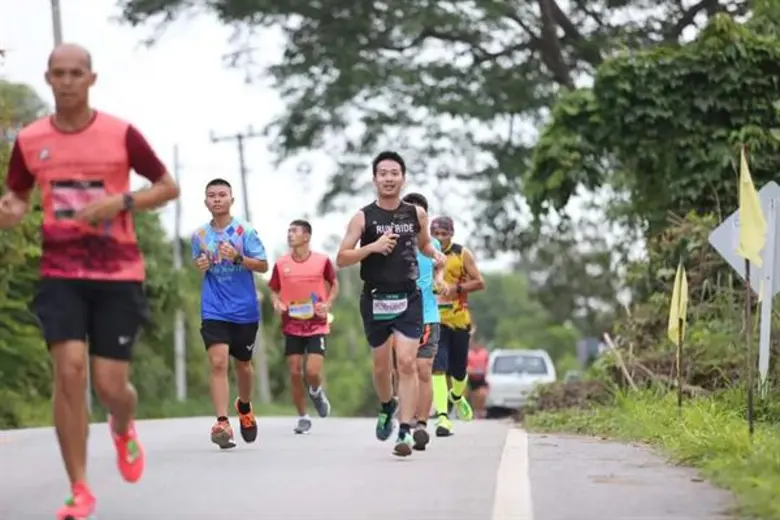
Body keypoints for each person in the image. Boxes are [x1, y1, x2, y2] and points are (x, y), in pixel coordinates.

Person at [0, 43, 180, 520]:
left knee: (110, 386)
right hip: (60, 274)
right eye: (58, 73)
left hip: (118, 274)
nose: (66, 81)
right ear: (47, 77)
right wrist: (9, 211)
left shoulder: (120, 134)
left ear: (91, 79)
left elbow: (168, 186)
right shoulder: (31, 139)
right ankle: (79, 487)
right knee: (70, 371)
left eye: (76, 73)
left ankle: (123, 424)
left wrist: (120, 203)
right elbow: (17, 197)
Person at [336, 150, 445, 457]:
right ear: (374, 179)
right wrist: (373, 246)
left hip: (409, 296)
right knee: (382, 367)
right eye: (382, 173)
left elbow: (423, 245)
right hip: (375, 298)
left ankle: (406, 430)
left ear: (403, 177)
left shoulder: (416, 214)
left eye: (394, 173)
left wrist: (434, 255)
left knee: (407, 363)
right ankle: (387, 405)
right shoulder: (362, 217)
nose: (388, 178)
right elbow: (342, 257)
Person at [192, 178, 268, 449]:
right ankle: (222, 422)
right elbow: (199, 261)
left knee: (243, 365)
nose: (216, 199)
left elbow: (262, 265)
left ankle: (244, 407)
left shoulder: (245, 231)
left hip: (244, 310)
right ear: (205, 202)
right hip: (214, 307)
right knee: (218, 362)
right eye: (211, 195)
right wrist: (200, 263)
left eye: (222, 195)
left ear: (231, 200)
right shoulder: (199, 236)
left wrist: (238, 257)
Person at [268, 219, 338, 434]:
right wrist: (277, 302)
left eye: (294, 231)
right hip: (292, 325)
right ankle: (302, 416)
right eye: (288, 231)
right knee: (295, 372)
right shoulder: (281, 264)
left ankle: (316, 392)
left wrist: (327, 304)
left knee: (312, 372)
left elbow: (334, 284)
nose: (290, 235)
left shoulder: (322, 261)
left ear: (306, 236)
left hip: (316, 325)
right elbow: (273, 289)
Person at [430, 216, 486, 436]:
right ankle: (443, 417)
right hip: (434, 320)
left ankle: (456, 395)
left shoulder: (462, 254)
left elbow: (480, 282)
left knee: (459, 371)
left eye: (445, 234)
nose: (441, 238)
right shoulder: (424, 254)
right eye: (436, 234)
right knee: (438, 367)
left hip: (459, 319)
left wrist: (456, 288)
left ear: (451, 234)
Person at [401, 192, 444, 451]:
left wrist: (440, 281)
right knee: (405, 370)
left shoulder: (433, 247)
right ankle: (404, 423)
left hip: (428, 315)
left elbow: (439, 269)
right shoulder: (393, 242)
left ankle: (421, 426)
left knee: (424, 368)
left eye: (420, 214)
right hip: (399, 315)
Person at [466, 330, 490, 419]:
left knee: (482, 394)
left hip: (481, 378)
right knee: (473, 396)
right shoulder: (469, 353)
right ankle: (475, 410)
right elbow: (466, 366)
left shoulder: (484, 353)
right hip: (471, 378)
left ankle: (480, 410)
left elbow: (488, 365)